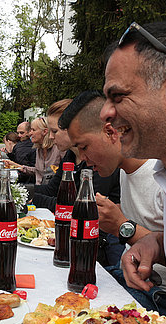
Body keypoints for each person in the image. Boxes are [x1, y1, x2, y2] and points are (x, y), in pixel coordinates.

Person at [59, 90, 166, 315]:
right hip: (126, 282)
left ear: (110, 133)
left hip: (158, 298)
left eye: (84, 147)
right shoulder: (123, 172)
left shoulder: (161, 175)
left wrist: (121, 226)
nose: (82, 159)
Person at [100, 21, 166, 307]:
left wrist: (123, 227)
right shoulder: (163, 173)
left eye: (117, 96)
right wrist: (157, 243)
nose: (105, 113)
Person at [32, 99, 123, 267]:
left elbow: (84, 207)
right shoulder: (71, 156)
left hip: (101, 249)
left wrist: (34, 198)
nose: (50, 137)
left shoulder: (102, 160)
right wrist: (23, 192)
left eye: (54, 131)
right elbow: (54, 190)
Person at [3, 117, 63, 184]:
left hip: (49, 191)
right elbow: (38, 171)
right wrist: (16, 166)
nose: (30, 133)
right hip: (39, 188)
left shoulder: (58, 149)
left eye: (33, 130)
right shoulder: (39, 149)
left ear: (45, 131)